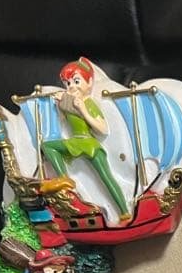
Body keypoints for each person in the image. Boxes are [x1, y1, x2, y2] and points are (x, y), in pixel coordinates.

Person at [41, 57, 130, 223]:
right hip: (75, 141)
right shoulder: (69, 102)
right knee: (48, 146)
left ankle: (124, 212)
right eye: (68, 83)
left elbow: (102, 128)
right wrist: (60, 105)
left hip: (89, 143)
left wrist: (83, 110)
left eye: (76, 81)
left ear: (89, 83)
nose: (72, 86)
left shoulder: (88, 103)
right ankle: (63, 178)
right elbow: (63, 120)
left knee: (106, 177)